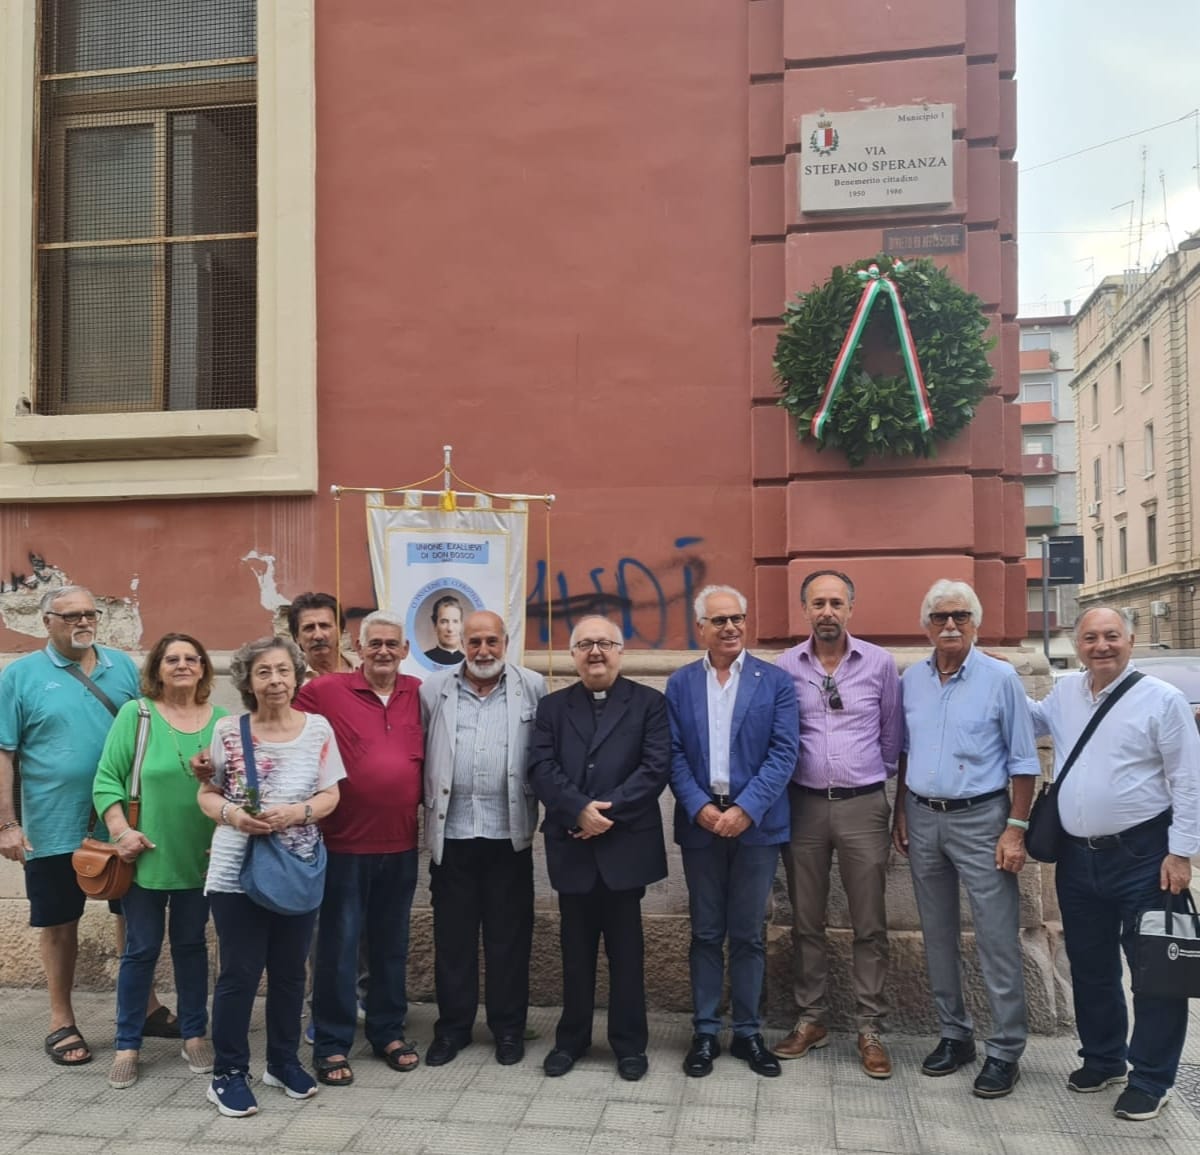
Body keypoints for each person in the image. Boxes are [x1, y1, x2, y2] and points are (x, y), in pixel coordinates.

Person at [1028, 607, 1200, 1122]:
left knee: (1152, 969)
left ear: (1129, 639)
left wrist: (1181, 852)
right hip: (1079, 858)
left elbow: (1188, 778)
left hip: (1145, 855)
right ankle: (1104, 1058)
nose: (1100, 646)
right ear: (1076, 644)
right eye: (1089, 638)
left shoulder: (1161, 700)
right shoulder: (1064, 694)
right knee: (1090, 965)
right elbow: (1023, 716)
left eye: (1111, 637)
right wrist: (980, 666)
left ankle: (1151, 1077)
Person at [893, 580, 1038, 1099]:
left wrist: (1015, 829)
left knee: (997, 938)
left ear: (976, 623)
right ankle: (955, 1035)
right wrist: (900, 815)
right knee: (937, 934)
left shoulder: (1001, 678)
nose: (949, 625)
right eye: (939, 617)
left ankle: (1005, 1049)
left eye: (960, 616)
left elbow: (1025, 762)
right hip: (922, 816)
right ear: (925, 625)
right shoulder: (912, 679)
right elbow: (905, 752)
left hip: (983, 821)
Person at [198, 636, 344, 1117]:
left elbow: (330, 796)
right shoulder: (227, 731)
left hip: (297, 869)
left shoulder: (319, 729)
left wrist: (298, 813)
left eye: (283, 670)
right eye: (264, 672)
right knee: (239, 974)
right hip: (236, 871)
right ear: (247, 680)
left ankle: (282, 1061)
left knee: (288, 973)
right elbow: (207, 794)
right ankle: (228, 1074)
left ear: (297, 675)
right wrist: (234, 816)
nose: (275, 680)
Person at [0, 585, 140, 1067]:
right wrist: (6, 824)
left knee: (133, 915)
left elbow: (148, 733)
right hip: (53, 825)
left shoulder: (122, 667)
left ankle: (143, 1005)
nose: (84, 622)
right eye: (72, 615)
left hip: (122, 822)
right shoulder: (19, 676)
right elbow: (4, 751)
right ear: (47, 623)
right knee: (60, 922)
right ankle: (61, 1018)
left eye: (91, 613)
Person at [666, 585, 798, 1079]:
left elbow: (784, 752)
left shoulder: (775, 682)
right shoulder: (680, 684)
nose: (731, 628)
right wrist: (699, 805)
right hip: (701, 824)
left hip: (755, 826)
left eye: (738, 618)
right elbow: (673, 753)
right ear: (700, 627)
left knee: (748, 934)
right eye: (719, 620)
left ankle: (747, 1032)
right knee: (704, 933)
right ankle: (704, 1031)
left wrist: (746, 808)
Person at [530, 615, 670, 1081]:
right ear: (572, 655)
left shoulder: (649, 703)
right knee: (574, 952)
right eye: (585, 644)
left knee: (628, 955)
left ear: (620, 652)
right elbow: (541, 767)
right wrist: (578, 810)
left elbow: (654, 768)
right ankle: (571, 1040)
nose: (595, 652)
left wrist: (603, 814)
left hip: (624, 849)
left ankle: (629, 1045)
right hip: (573, 848)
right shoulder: (552, 708)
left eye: (605, 644)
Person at [774, 570, 902, 1078]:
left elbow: (892, 739)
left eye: (836, 603)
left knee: (869, 923)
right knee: (807, 920)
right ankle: (812, 1019)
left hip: (862, 805)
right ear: (805, 609)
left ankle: (869, 1028)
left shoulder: (879, 664)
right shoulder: (785, 667)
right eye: (818, 603)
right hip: (802, 806)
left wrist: (865, 780)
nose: (827, 611)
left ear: (851, 607)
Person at [94, 633, 227, 1090]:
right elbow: (107, 779)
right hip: (144, 855)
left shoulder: (224, 722)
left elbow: (242, 785)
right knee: (141, 950)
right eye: (173, 659)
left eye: (193, 657)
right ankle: (127, 1044)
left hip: (202, 857)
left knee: (192, 947)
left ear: (205, 668)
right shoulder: (138, 715)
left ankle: (194, 1035)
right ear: (157, 668)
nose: (183, 665)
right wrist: (121, 832)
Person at [296, 611, 424, 1085]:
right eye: (376, 644)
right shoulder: (324, 692)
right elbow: (279, 726)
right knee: (339, 947)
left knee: (391, 946)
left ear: (405, 649)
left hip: (402, 844)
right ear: (361, 648)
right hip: (344, 844)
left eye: (393, 644)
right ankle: (331, 1042)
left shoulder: (418, 694)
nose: (384, 652)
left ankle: (388, 1031)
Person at [420, 610, 546, 1067]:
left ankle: (508, 1029)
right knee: (452, 939)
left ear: (506, 642)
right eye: (474, 642)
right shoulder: (434, 689)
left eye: (491, 641)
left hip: (507, 834)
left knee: (508, 939)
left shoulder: (532, 686)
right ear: (462, 645)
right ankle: (453, 1029)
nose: (483, 651)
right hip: (452, 835)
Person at [287, 592, 358, 680]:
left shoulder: (364, 666)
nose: (318, 636)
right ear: (296, 637)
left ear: (340, 630)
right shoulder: (291, 682)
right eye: (309, 628)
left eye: (324, 626)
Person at [424, 595, 465, 665]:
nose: (450, 628)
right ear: (435, 625)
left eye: (455, 621)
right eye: (444, 622)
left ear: (461, 625)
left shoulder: (467, 661)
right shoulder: (425, 658)